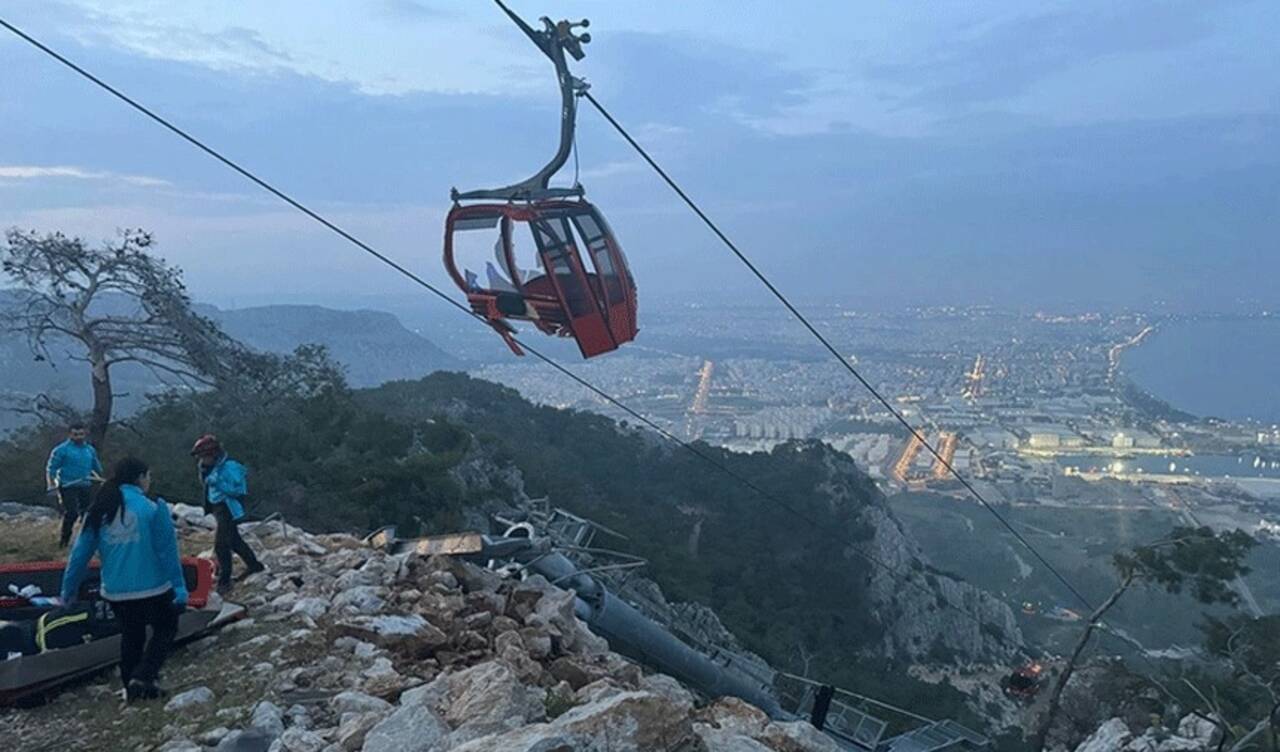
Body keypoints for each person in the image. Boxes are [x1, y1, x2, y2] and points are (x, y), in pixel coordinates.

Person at [59, 457, 187, 702]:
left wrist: (68, 590)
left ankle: (133, 690)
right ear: (140, 478)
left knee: (131, 636)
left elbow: (79, 556)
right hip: (154, 587)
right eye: (148, 476)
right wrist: (179, 587)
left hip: (116, 591)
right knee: (166, 628)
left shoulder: (99, 510)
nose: (149, 481)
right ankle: (145, 675)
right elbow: (167, 551)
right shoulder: (152, 507)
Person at [190, 434, 264, 592]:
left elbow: (239, 490)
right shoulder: (207, 468)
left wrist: (219, 483)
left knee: (221, 545)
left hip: (228, 508)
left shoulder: (230, 467)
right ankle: (254, 565)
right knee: (234, 540)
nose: (202, 460)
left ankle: (225, 581)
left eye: (204, 456)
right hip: (217, 507)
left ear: (214, 454)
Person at [46, 422, 104, 548]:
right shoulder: (61, 450)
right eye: (75, 434)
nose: (79, 437)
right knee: (72, 513)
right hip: (67, 485)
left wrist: (101, 477)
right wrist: (51, 485)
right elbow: (51, 469)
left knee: (87, 514)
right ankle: (64, 541)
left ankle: (88, 542)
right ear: (70, 434)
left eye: (81, 434)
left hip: (86, 484)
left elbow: (96, 466)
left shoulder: (89, 449)